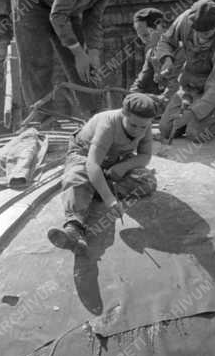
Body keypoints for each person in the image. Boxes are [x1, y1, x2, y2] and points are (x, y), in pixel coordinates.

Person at [11, 0, 144, 124]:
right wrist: (79, 53)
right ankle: (43, 117)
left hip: (64, 6)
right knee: (38, 59)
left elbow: (93, 20)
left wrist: (93, 53)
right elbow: (58, 16)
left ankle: (94, 114)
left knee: (84, 65)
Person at [47, 92, 158, 255]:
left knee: (147, 181)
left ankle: (95, 187)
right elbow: (92, 164)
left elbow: (145, 156)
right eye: (133, 125)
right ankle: (74, 229)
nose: (138, 131)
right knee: (76, 176)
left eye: (143, 127)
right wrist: (110, 200)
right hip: (85, 154)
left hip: (116, 158)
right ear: (124, 113)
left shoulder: (144, 125)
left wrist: (123, 167)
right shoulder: (108, 124)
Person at [155, 0, 215, 142]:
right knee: (166, 130)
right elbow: (166, 40)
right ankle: (194, 119)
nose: (201, 36)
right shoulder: (186, 19)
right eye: (198, 31)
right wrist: (167, 60)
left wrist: (191, 113)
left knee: (196, 134)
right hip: (189, 86)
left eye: (207, 33)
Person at [129, 6, 170, 115]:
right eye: (140, 36)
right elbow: (140, 83)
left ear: (161, 28)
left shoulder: (181, 50)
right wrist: (132, 96)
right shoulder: (151, 54)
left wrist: (160, 99)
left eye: (146, 35)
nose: (143, 41)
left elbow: (181, 87)